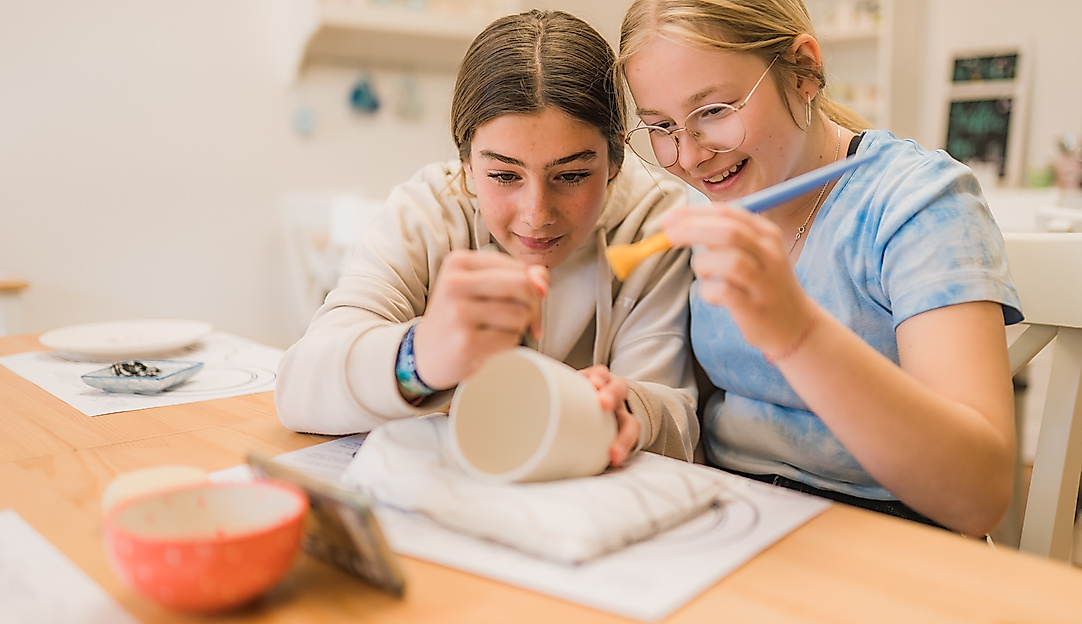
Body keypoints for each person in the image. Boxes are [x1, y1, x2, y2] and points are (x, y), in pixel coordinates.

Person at [616, 0, 1022, 535]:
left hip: (892, 537)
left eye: (714, 111)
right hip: (731, 518)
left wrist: (796, 331)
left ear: (804, 70)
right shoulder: (698, 214)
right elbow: (704, 410)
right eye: (660, 126)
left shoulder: (917, 202)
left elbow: (979, 495)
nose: (688, 157)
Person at [276, 9, 699, 466]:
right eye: (502, 174)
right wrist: (419, 357)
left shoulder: (656, 224)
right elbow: (299, 385)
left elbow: (676, 419)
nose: (536, 215)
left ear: (615, 158)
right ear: (466, 160)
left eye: (573, 175)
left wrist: (632, 408)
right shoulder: (431, 210)